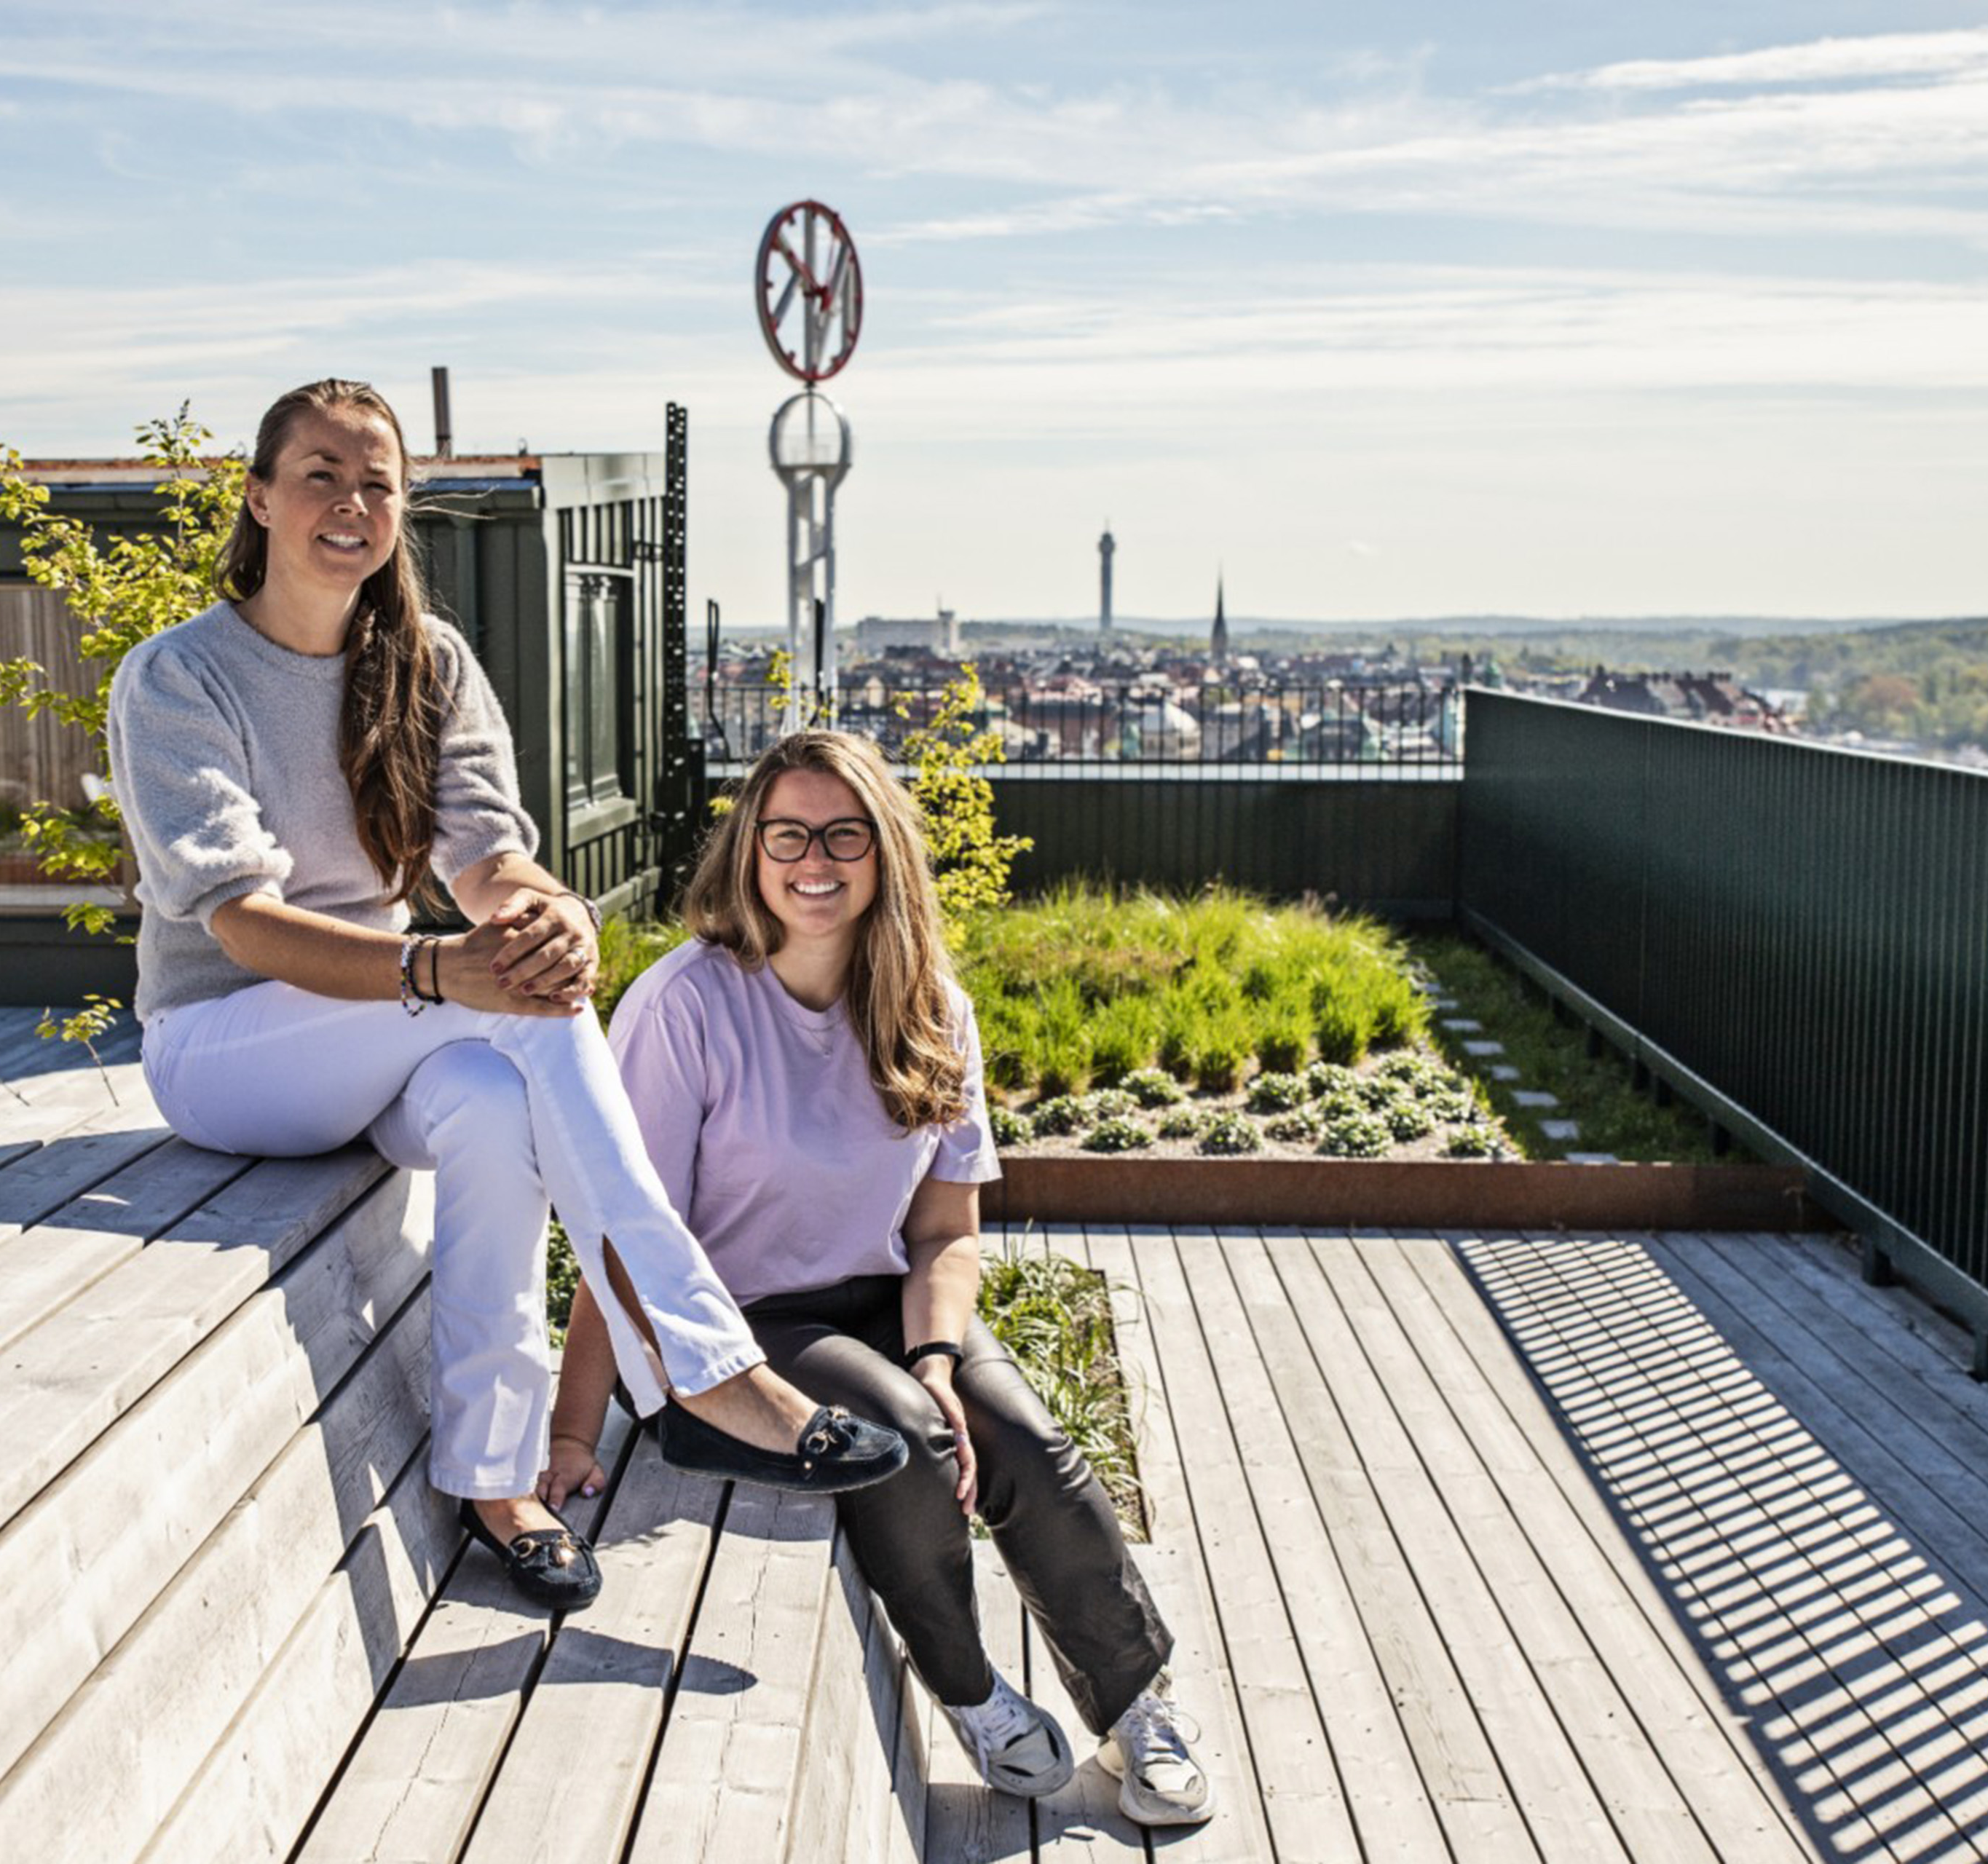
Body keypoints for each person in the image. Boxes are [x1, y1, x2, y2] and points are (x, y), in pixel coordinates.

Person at [109, 380, 906, 1619]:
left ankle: (496, 1479)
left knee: (489, 1095)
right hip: (224, 1049)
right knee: (499, 1012)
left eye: (379, 483)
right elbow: (241, 924)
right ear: (259, 499)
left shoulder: (427, 665)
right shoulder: (179, 677)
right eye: (321, 474)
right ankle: (701, 1367)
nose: (351, 504)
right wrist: (440, 967)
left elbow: (485, 858)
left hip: (375, 1050)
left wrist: (553, 916)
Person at [542, 730, 1213, 1829]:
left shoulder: (929, 1005)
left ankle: (1137, 1705)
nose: (817, 859)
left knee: (1023, 1440)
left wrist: (942, 1353)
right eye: (789, 834)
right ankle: (972, 1692)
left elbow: (947, 1225)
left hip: (879, 1300)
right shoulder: (684, 1008)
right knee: (903, 1436)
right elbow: (622, 1241)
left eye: (844, 834)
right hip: (729, 1333)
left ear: (884, 852)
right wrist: (578, 1434)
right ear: (750, 853)